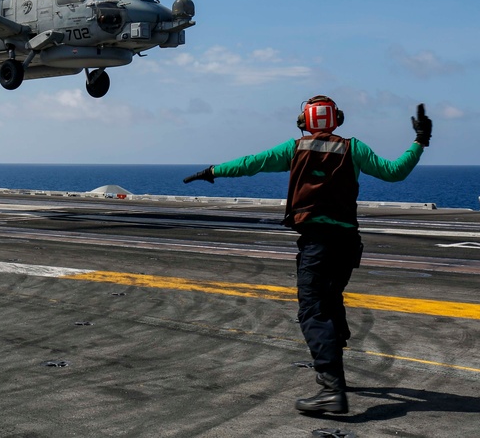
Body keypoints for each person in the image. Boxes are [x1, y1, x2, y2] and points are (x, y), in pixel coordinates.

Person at [183, 95, 432, 414]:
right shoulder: (352, 148)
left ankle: (332, 387)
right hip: (347, 243)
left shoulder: (295, 149)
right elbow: (395, 172)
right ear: (336, 119)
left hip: (318, 243)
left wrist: (213, 170)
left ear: (305, 122)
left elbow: (251, 163)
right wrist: (420, 140)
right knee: (330, 299)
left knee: (313, 311)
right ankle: (333, 360)